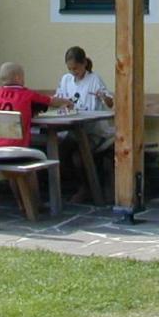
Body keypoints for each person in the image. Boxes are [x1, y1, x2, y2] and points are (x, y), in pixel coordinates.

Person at [56, 46, 115, 201]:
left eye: (75, 68)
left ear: (83, 64)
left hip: (95, 131)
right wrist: (62, 103)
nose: (73, 72)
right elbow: (59, 98)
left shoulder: (94, 79)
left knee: (79, 156)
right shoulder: (66, 80)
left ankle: (87, 188)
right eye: (70, 69)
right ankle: (70, 186)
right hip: (73, 129)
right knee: (60, 151)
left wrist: (102, 97)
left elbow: (110, 103)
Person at [0, 62, 56, 148]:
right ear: (18, 77)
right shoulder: (27, 94)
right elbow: (50, 101)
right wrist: (67, 102)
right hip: (17, 147)